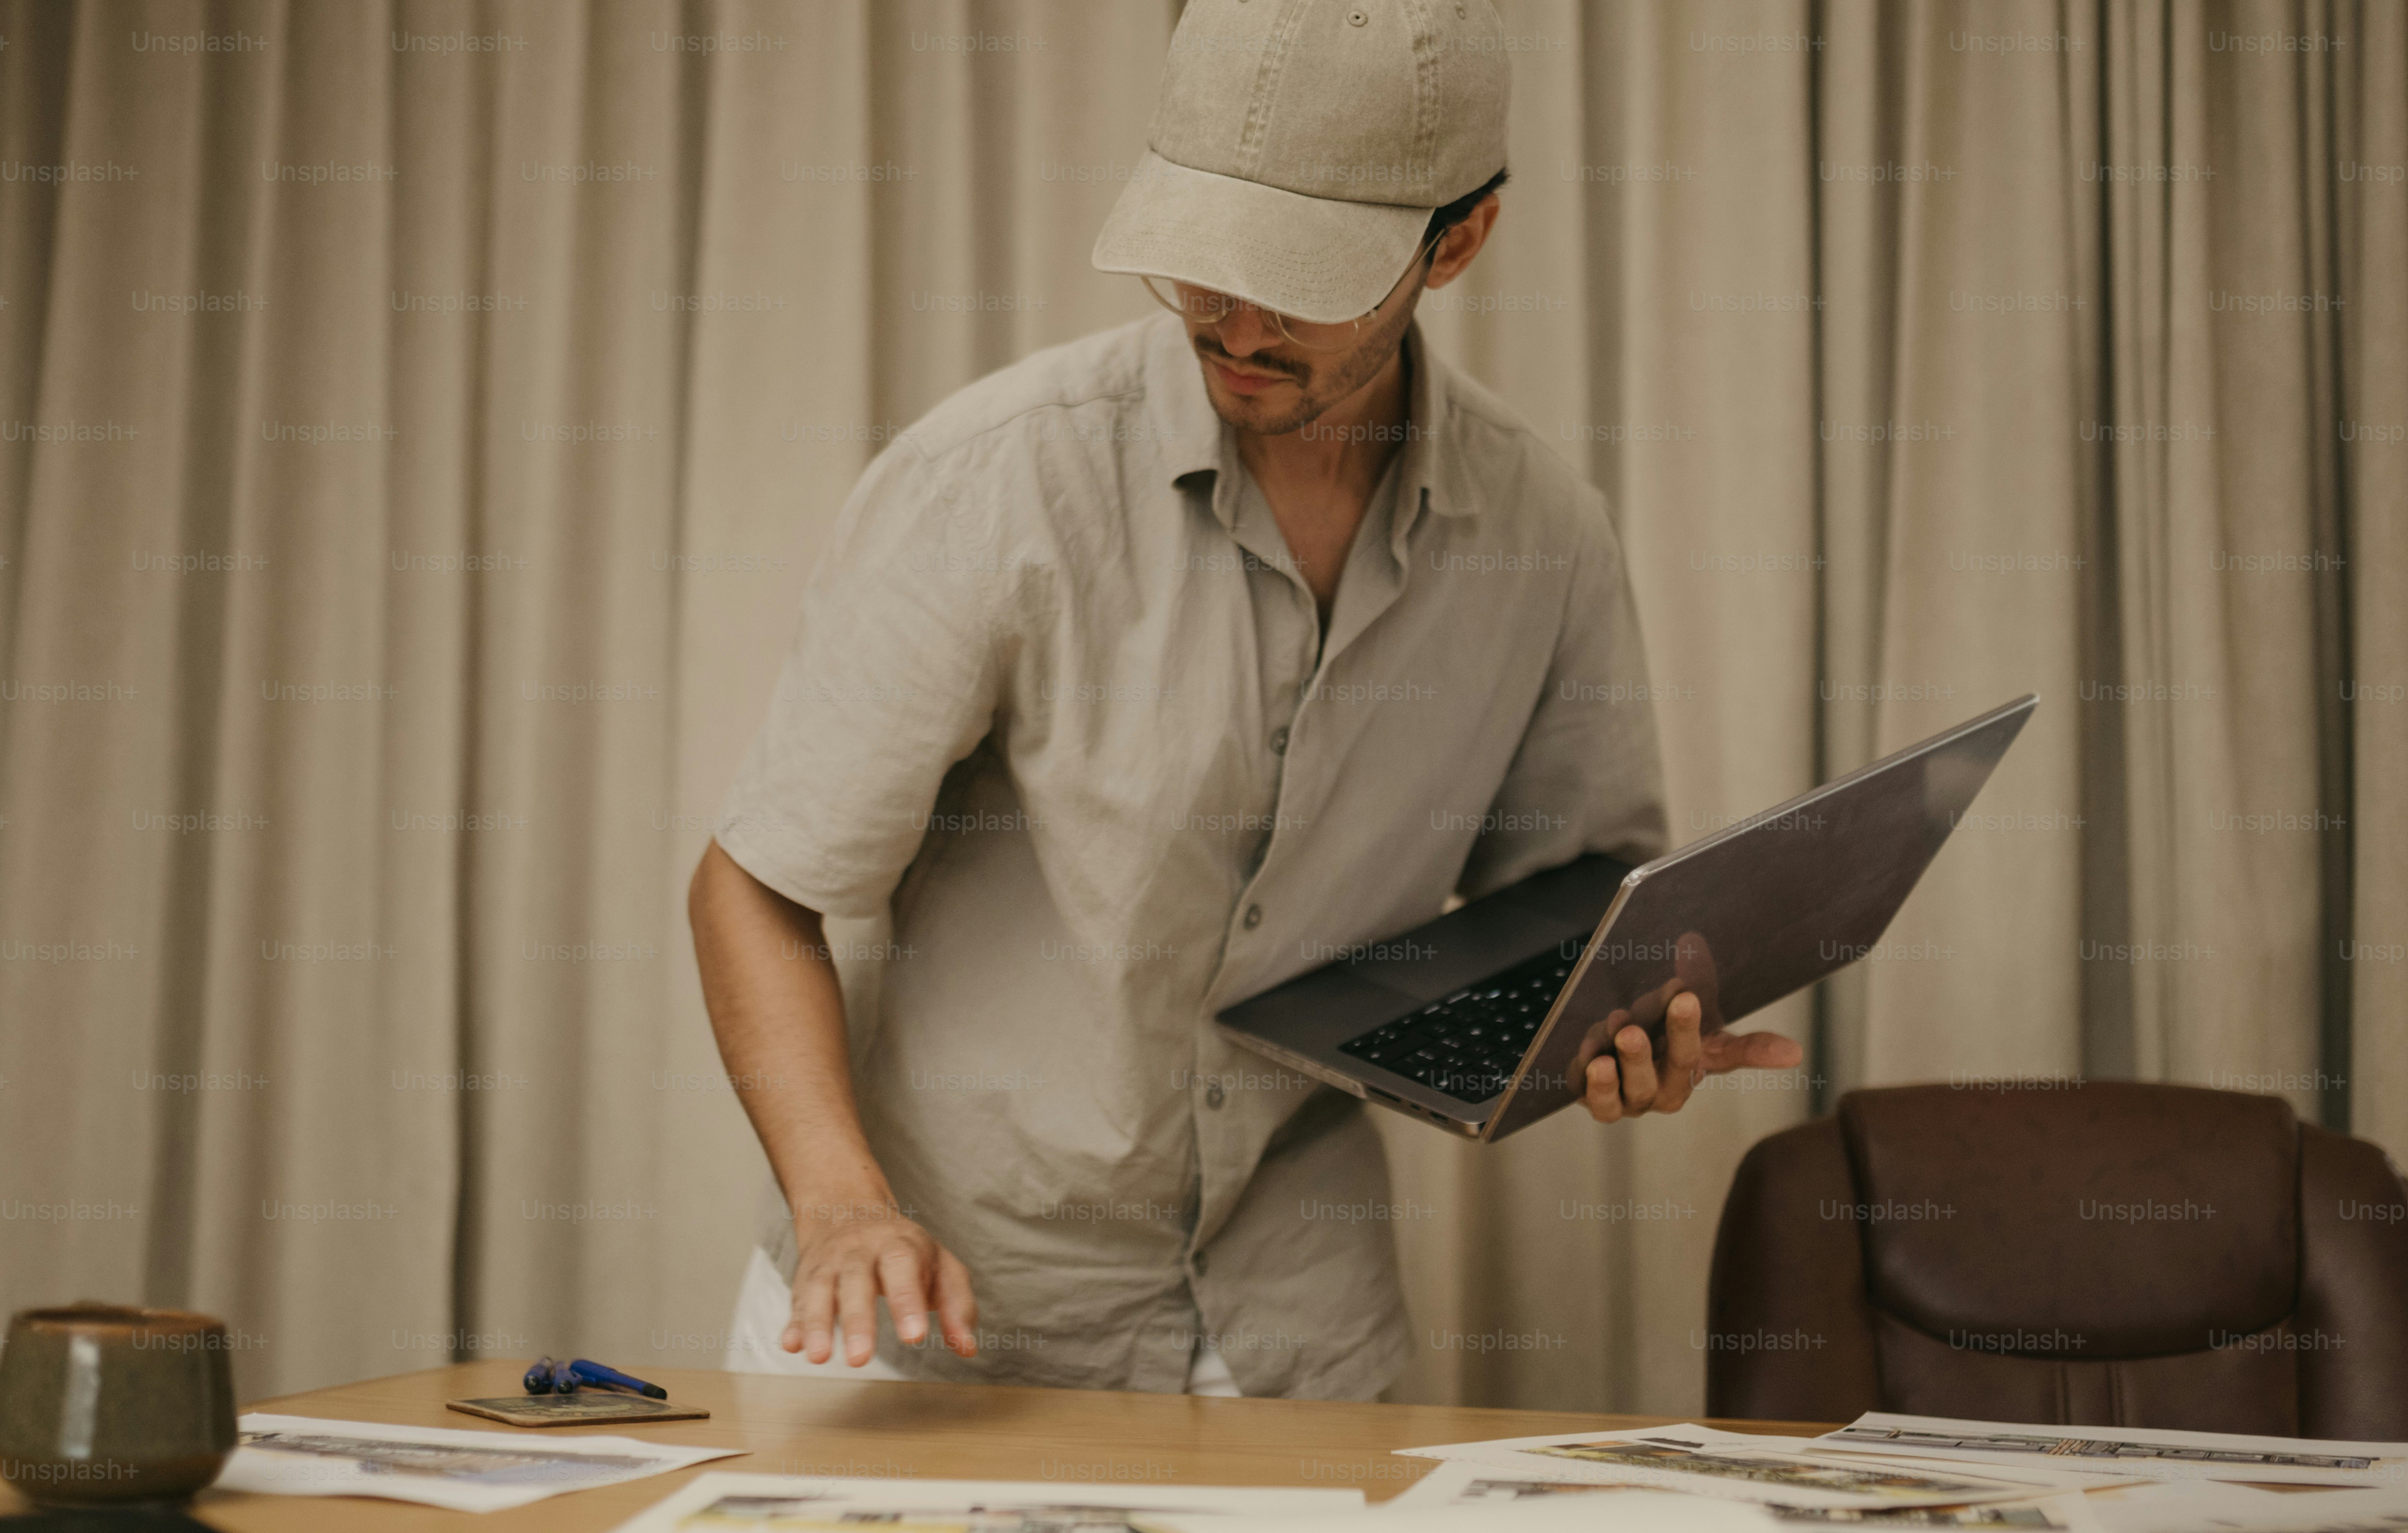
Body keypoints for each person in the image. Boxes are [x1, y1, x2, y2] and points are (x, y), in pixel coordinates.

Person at [690, 0, 1801, 1400]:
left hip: (1299, 1334)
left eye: (1302, 278)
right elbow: (756, 889)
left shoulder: (1543, 530)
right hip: (937, 1315)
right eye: (1203, 262)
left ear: (1456, 241)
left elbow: (1571, 896)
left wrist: (1619, 1019)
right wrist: (840, 1202)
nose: (1237, 321)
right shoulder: (997, 480)